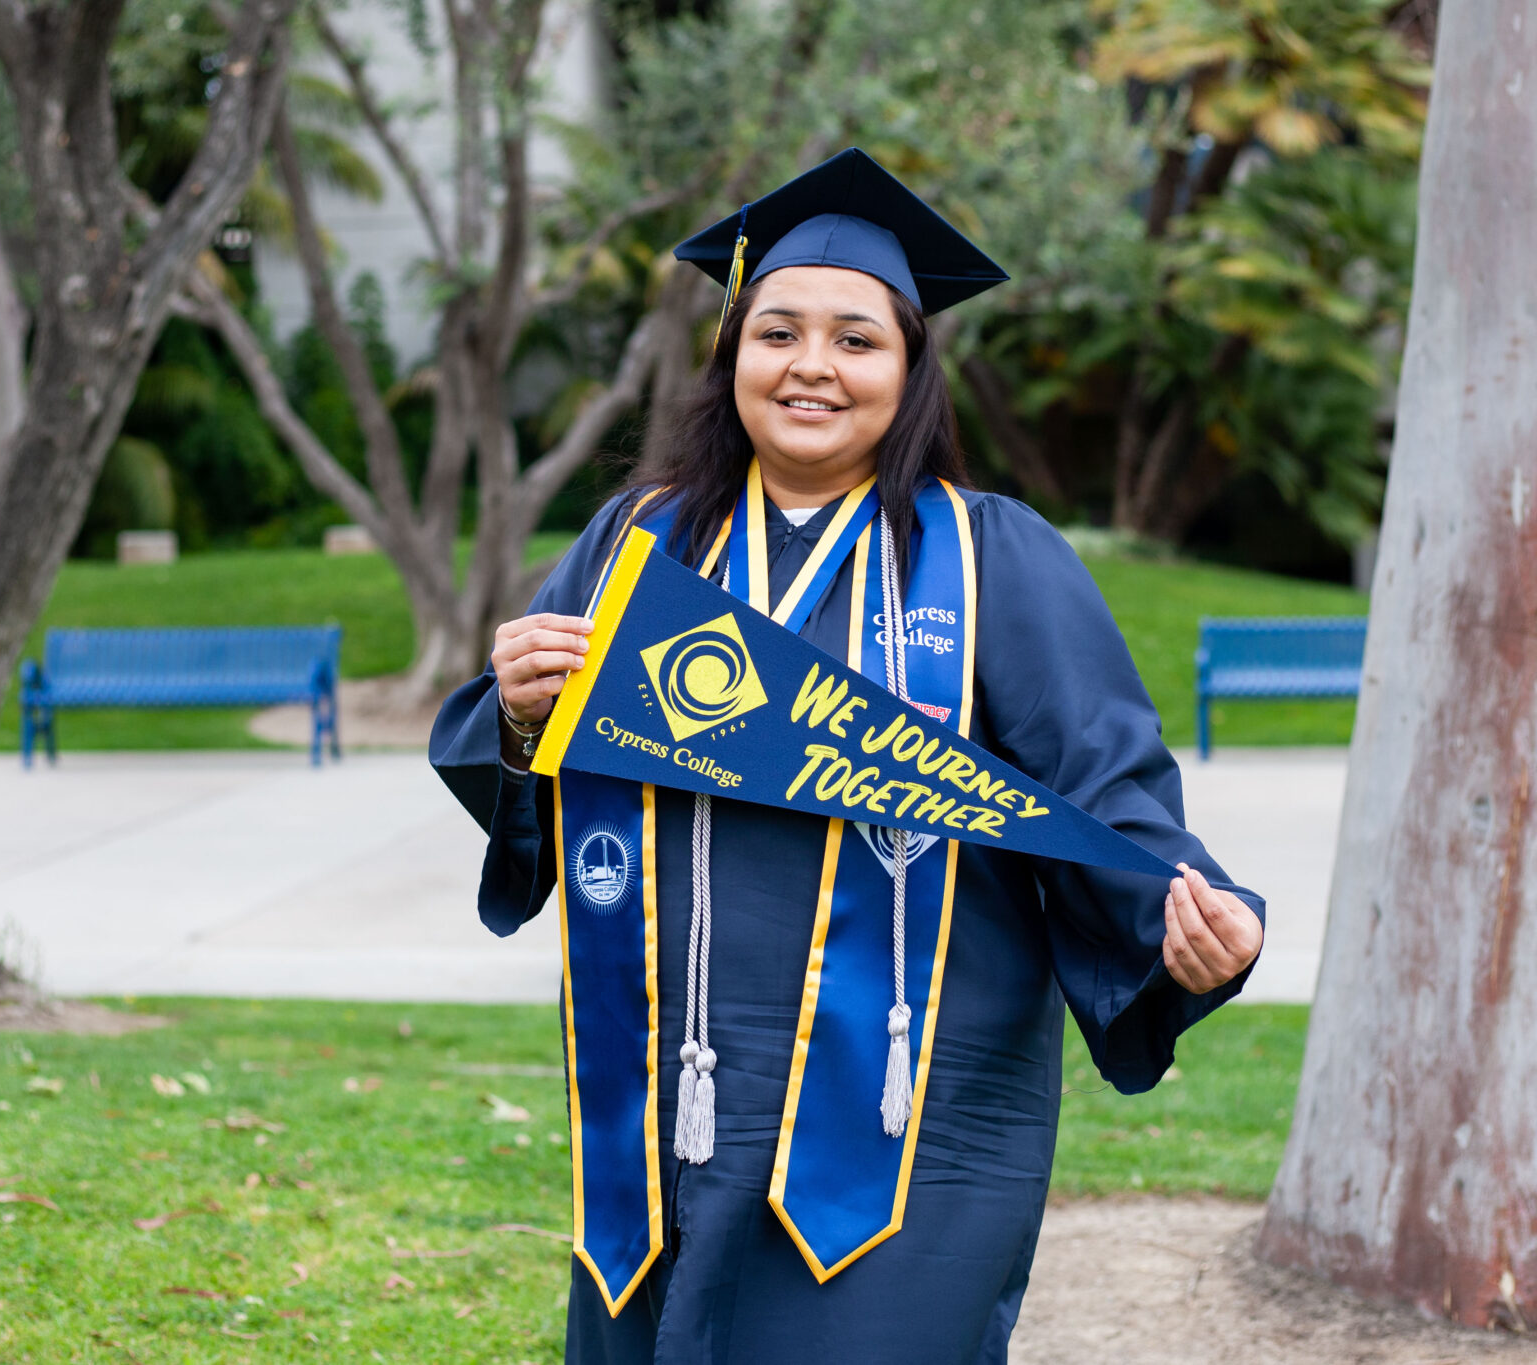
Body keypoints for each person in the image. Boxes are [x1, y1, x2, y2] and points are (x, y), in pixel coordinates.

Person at [428, 149, 1266, 1365]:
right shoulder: (636, 541)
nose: (810, 366)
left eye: (855, 340)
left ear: (908, 370)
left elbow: (1100, 784)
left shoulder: (991, 559)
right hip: (668, 1091)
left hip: (908, 1114)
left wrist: (1192, 922)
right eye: (776, 332)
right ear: (731, 356)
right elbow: (527, 756)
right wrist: (514, 710)